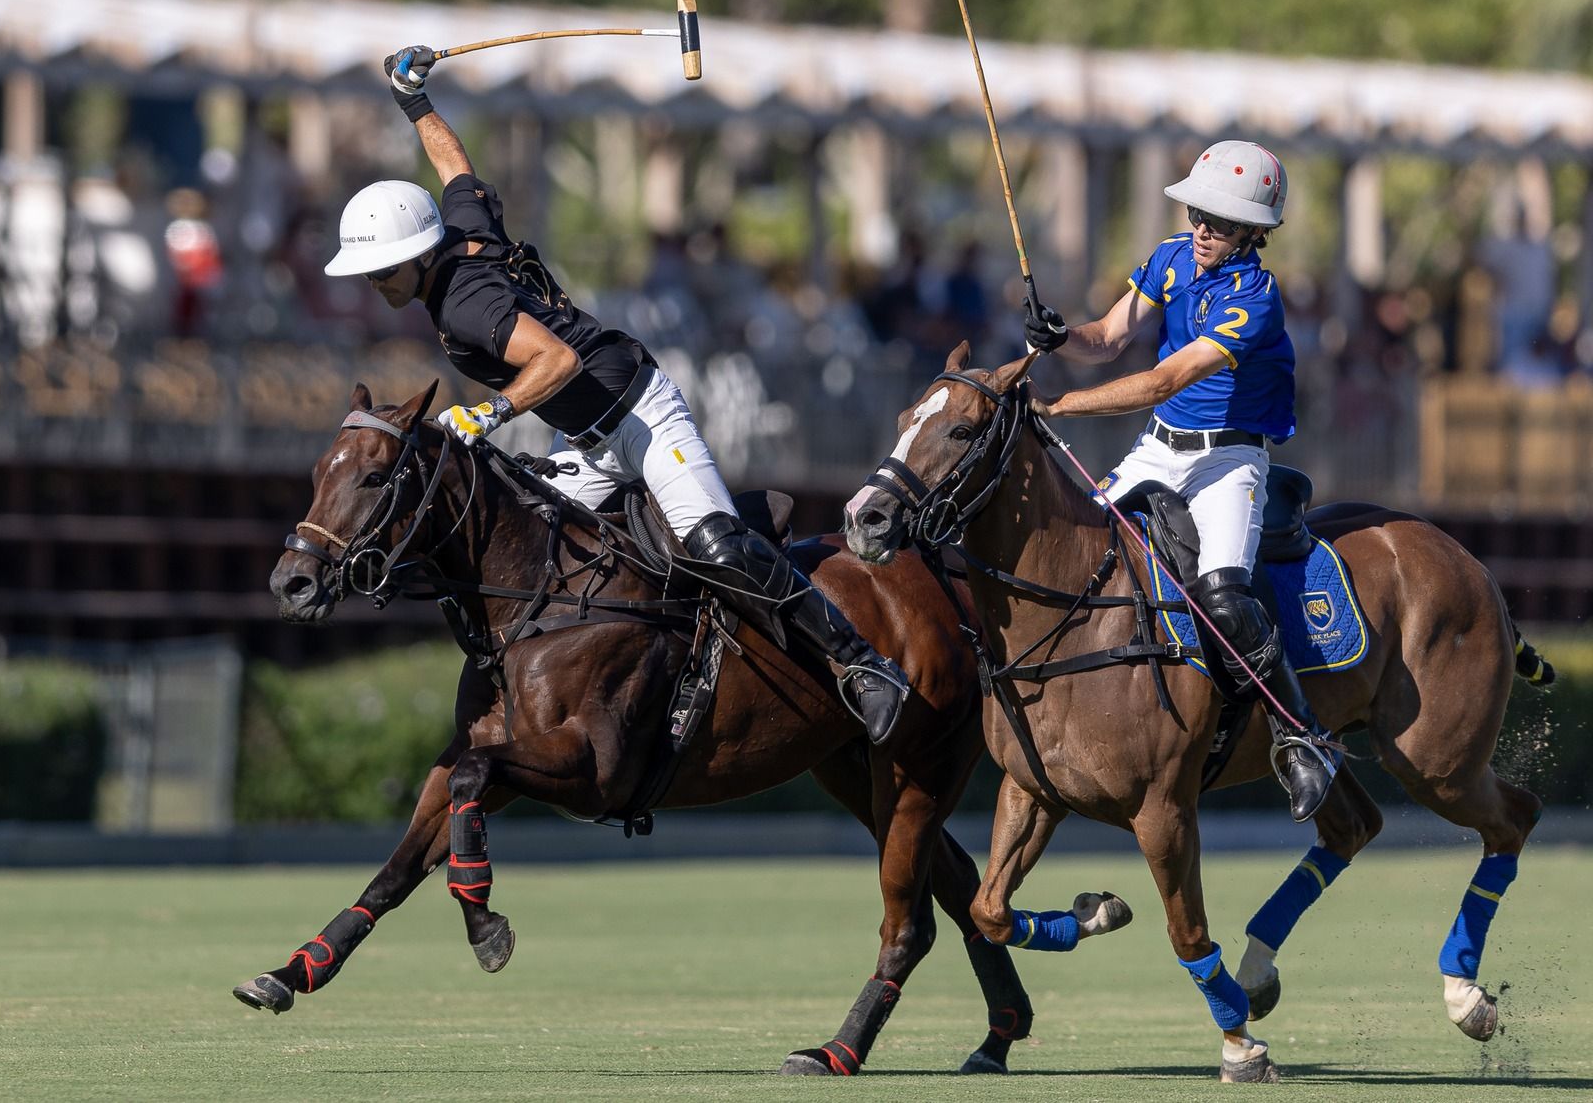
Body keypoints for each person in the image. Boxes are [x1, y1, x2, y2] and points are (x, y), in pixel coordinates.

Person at [319, 45, 911, 744]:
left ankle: (862, 665)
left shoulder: (462, 305)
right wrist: (413, 100)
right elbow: (454, 164)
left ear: (418, 256)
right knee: (535, 548)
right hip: (589, 440)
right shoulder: (463, 230)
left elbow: (557, 357)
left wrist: (492, 409)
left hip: (640, 414)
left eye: (381, 270)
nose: (373, 283)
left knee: (714, 544)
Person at [1021, 140, 1341, 821]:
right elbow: (1107, 337)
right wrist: (1059, 338)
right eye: (1199, 212)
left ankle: (1300, 734)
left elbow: (1166, 378)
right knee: (1077, 556)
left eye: (1220, 222)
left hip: (1228, 463)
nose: (1202, 229)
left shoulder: (1255, 295)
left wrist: (1060, 405)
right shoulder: (1169, 256)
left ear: (1255, 232)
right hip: (1157, 449)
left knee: (1224, 595)